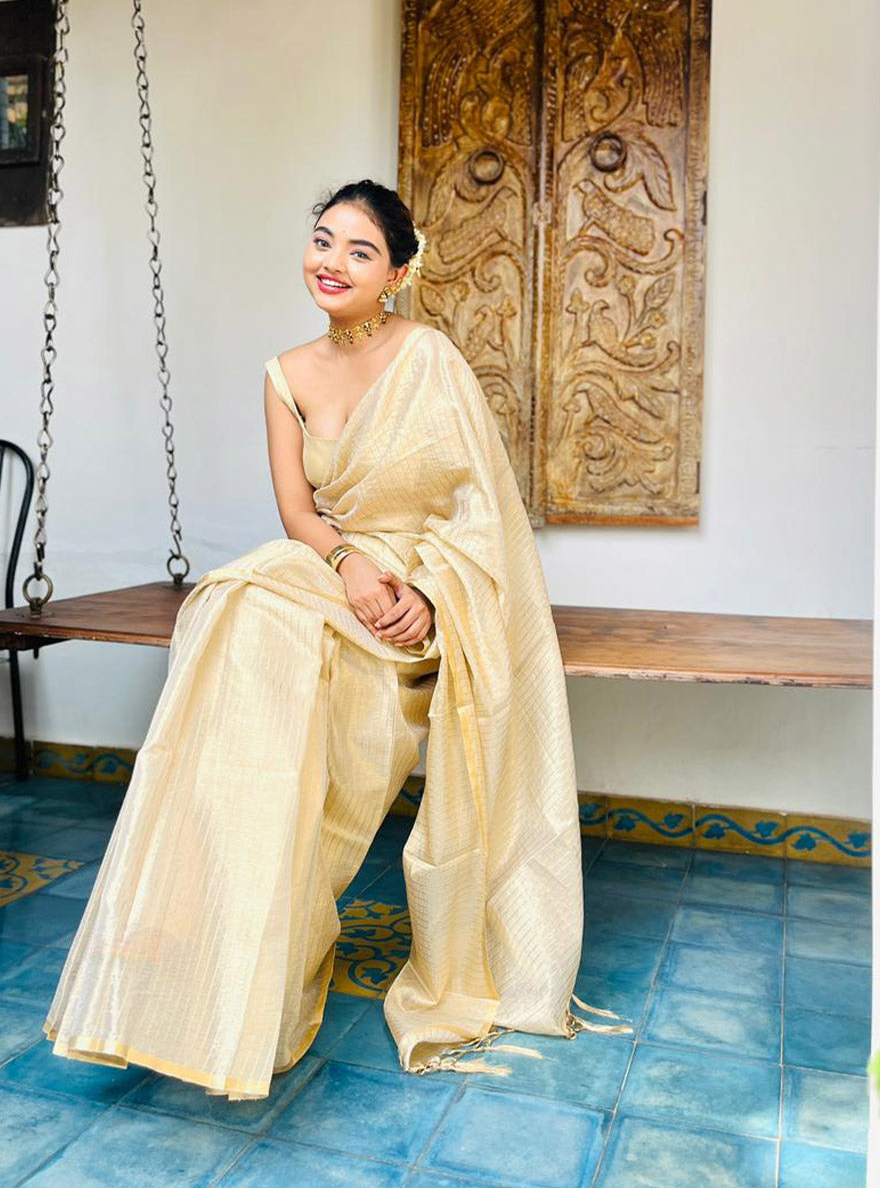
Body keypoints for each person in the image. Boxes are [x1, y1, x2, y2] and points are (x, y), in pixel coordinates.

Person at [41, 179, 631, 1101]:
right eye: (323, 240)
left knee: (285, 651)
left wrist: (426, 593)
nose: (333, 262)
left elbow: (481, 510)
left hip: (426, 586)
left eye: (361, 251)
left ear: (397, 273)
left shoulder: (427, 358)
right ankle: (191, 926)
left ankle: (237, 938)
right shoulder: (284, 374)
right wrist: (352, 565)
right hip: (334, 570)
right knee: (239, 610)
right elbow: (298, 512)